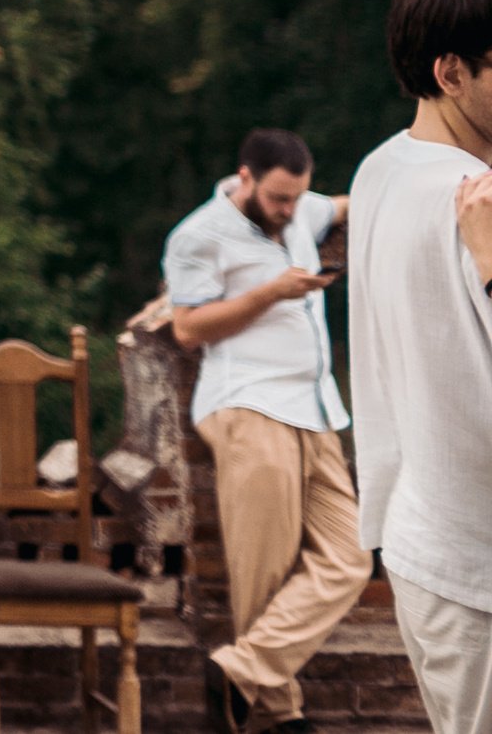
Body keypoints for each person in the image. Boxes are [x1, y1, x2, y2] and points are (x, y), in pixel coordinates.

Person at [163, 128, 364, 734]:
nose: (288, 211)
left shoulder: (303, 208)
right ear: (245, 178)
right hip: (248, 406)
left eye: (297, 198)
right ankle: (277, 716)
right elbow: (187, 328)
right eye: (278, 198)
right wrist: (272, 291)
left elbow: (349, 204)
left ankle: (241, 668)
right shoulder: (197, 235)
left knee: (351, 557)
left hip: (315, 407)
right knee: (266, 568)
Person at [351, 0, 492, 734]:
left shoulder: (379, 168)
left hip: (420, 540)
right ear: (452, 72)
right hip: (478, 564)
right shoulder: (476, 204)